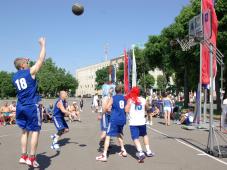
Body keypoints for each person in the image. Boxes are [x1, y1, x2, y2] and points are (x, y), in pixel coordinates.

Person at [11, 37, 46, 168]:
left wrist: (25, 62)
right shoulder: (30, 72)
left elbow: (23, 69)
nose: (28, 62)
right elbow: (41, 60)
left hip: (20, 106)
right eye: (26, 62)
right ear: (23, 65)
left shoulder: (14, 76)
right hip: (32, 105)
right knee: (35, 131)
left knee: (24, 132)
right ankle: (31, 158)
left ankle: (23, 156)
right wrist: (43, 45)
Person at [96, 85, 127, 162]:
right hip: (122, 119)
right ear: (121, 90)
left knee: (108, 135)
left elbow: (106, 108)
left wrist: (101, 114)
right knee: (119, 134)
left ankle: (104, 155)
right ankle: (123, 150)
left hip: (115, 119)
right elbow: (126, 109)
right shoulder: (124, 98)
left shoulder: (113, 98)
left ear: (115, 91)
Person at [125, 87, 155, 163]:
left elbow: (126, 110)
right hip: (142, 121)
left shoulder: (130, 100)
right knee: (144, 135)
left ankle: (141, 152)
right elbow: (148, 108)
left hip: (133, 122)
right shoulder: (143, 99)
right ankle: (148, 151)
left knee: (135, 137)